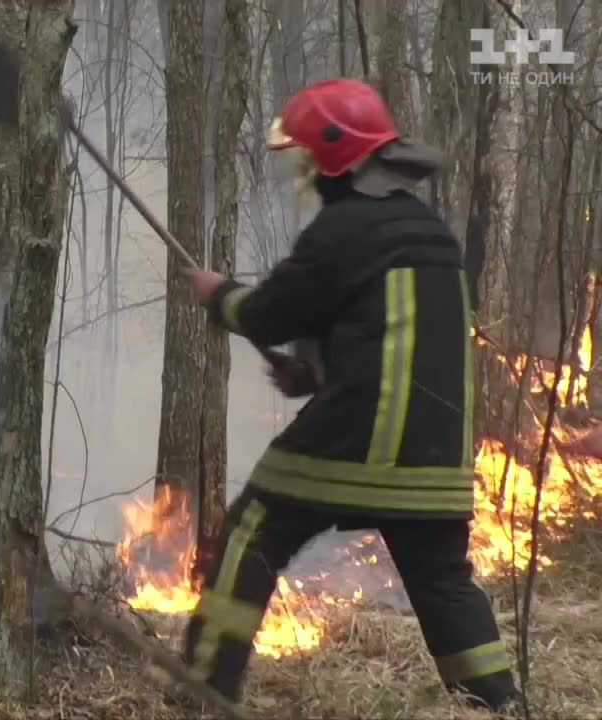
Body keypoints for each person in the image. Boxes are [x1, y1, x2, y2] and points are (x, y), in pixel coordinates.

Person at [179, 78, 520, 713]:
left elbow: (270, 312)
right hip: (438, 457)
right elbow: (388, 331)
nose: (302, 173)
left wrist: (217, 294)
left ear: (331, 158)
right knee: (443, 581)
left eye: (305, 158)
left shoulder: (343, 228)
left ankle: (204, 689)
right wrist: (313, 374)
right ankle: (498, 703)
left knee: (252, 531)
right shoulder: (428, 231)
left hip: (363, 437)